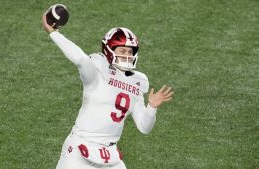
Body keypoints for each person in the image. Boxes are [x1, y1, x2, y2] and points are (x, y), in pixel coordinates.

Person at [42, 11, 174, 169]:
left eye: (130, 51)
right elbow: (81, 59)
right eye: (122, 51)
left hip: (110, 154)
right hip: (79, 150)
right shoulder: (97, 71)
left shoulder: (137, 81)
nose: (127, 55)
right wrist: (54, 33)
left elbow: (144, 127)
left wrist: (151, 107)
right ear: (109, 50)